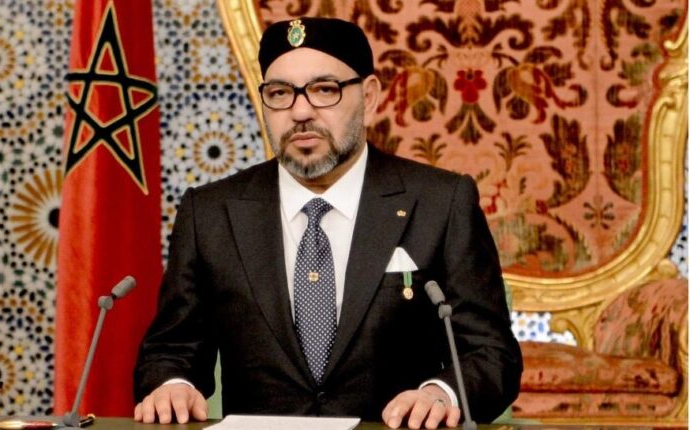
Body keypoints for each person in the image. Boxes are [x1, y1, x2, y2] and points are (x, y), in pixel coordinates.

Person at [133, 16, 522, 429]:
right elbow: (169, 351)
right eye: (280, 93)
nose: (300, 111)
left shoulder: (441, 202)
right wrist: (173, 385)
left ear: (369, 96)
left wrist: (440, 394)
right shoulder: (210, 212)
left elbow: (491, 353)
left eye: (324, 90)